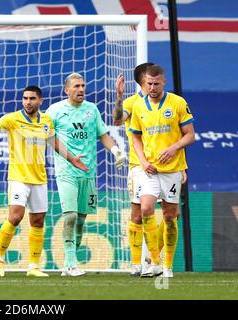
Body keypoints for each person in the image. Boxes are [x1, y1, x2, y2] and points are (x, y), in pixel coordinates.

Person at [0, 85, 88, 277]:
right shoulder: (12, 119)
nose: (28, 102)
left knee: (38, 221)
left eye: (32, 99)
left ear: (40, 101)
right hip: (19, 176)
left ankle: (33, 267)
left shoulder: (46, 120)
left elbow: (53, 142)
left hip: (40, 178)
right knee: (15, 216)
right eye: (25, 98)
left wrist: (72, 159)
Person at [46, 73, 126, 276]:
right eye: (76, 86)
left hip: (88, 172)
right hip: (66, 172)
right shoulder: (54, 111)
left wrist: (116, 151)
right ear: (67, 90)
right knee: (70, 216)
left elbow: (103, 135)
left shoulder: (92, 110)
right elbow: (49, 138)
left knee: (80, 220)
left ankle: (75, 242)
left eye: (83, 85)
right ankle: (70, 265)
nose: (81, 89)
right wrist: (71, 157)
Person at [129, 65, 195, 278]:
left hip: (172, 170)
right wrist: (142, 161)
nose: (153, 87)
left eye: (157, 84)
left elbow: (190, 135)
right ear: (143, 83)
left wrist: (174, 147)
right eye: (149, 83)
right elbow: (135, 136)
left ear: (164, 83)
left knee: (169, 216)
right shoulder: (138, 106)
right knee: (146, 208)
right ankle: (154, 261)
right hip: (149, 169)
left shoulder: (177, 103)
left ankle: (167, 266)